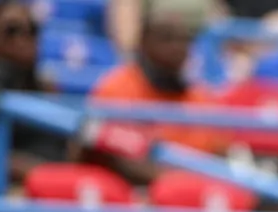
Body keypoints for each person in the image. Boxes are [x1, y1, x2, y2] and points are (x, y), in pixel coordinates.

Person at [90, 0, 224, 184]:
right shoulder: (115, 88)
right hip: (131, 191)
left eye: (185, 40)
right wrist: (175, 183)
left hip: (195, 192)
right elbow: (116, 157)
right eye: (166, 38)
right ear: (144, 41)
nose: (177, 47)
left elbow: (220, 153)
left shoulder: (201, 97)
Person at [0, 0, 70, 182]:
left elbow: (69, 151)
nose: (23, 38)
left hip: (55, 185)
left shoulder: (49, 87)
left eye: (32, 30)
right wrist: (39, 171)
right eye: (12, 30)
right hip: (7, 188)